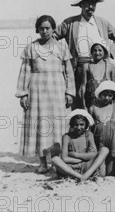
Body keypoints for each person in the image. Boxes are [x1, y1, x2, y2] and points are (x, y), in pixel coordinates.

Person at [16, 15, 75, 173]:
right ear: (37, 30)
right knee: (40, 125)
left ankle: (56, 161)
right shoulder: (31, 48)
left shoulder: (62, 48)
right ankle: (43, 162)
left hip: (57, 90)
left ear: (53, 29)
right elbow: (24, 72)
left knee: (57, 125)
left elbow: (69, 72)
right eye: (41, 28)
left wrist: (70, 93)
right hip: (36, 91)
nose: (44, 31)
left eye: (47, 28)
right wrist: (23, 94)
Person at [54, 0, 115, 109]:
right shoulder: (70, 23)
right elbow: (53, 37)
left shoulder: (102, 22)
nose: (90, 7)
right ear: (80, 5)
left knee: (100, 101)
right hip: (78, 68)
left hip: (99, 68)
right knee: (79, 102)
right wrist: (61, 56)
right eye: (87, 4)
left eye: (93, 4)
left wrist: (110, 53)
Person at [51, 110, 109, 181]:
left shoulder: (89, 135)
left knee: (105, 149)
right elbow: (65, 158)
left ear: (86, 125)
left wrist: (75, 154)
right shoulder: (67, 137)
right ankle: (80, 176)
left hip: (87, 166)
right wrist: (83, 159)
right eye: (76, 124)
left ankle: (85, 175)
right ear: (72, 125)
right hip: (71, 167)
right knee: (55, 159)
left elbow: (93, 154)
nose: (78, 127)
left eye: (81, 124)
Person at [89, 80, 115, 176]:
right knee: (102, 174)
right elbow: (90, 130)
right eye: (104, 94)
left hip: (114, 143)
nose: (106, 98)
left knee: (111, 173)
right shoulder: (93, 108)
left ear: (113, 96)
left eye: (110, 95)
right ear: (99, 94)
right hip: (99, 143)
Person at [81, 41, 115, 110]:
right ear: (91, 52)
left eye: (100, 50)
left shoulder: (110, 66)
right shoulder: (86, 66)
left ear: (104, 52)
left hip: (106, 105)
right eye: (95, 50)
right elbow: (83, 87)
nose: (97, 53)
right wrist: (83, 105)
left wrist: (114, 107)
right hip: (91, 104)